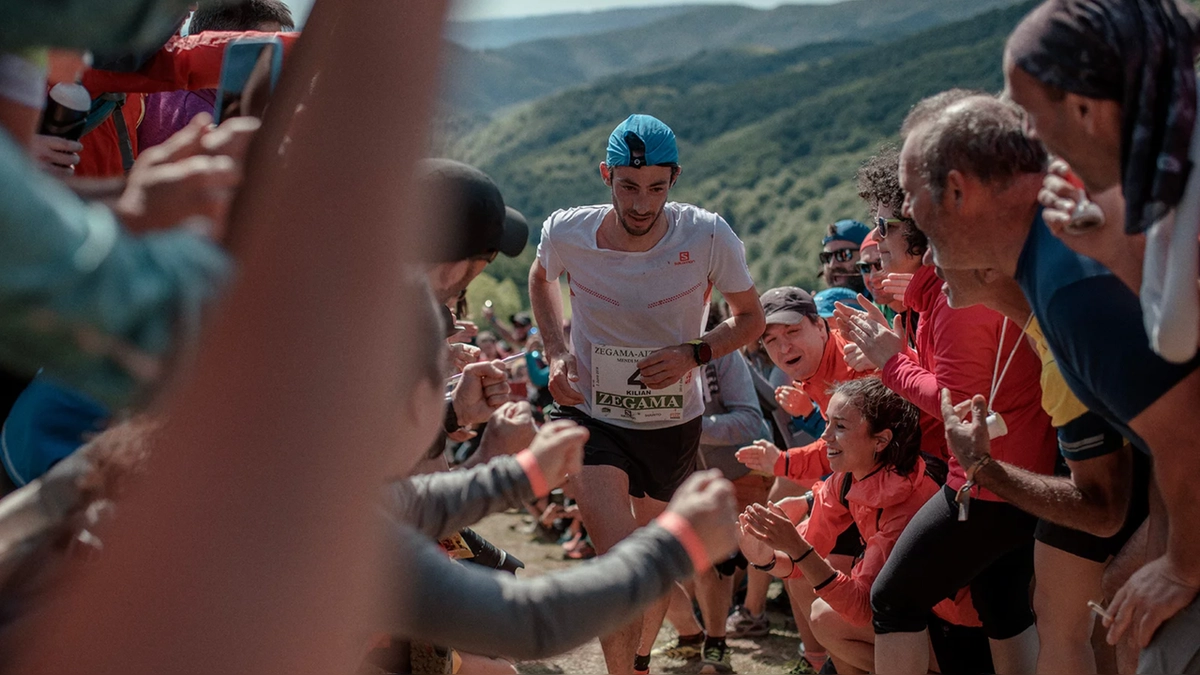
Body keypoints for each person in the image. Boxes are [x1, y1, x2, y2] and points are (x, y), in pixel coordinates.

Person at [903, 91, 1200, 673]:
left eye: (913, 199)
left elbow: (1187, 436)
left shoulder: (1070, 288)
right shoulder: (1056, 268)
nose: (911, 222)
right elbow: (1151, 462)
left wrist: (1179, 567)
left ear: (959, 191)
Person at [528, 113, 764, 675]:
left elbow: (751, 318)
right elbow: (541, 279)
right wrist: (557, 350)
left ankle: (635, 661)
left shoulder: (708, 235)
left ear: (674, 179)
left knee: (654, 566)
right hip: (590, 413)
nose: (641, 204)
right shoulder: (566, 231)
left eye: (656, 188)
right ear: (606, 175)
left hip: (671, 422)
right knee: (620, 563)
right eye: (628, 187)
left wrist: (695, 354)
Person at [838, 93, 1058, 675]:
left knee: (893, 598)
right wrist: (895, 349)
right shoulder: (947, 291)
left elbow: (959, 405)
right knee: (1003, 607)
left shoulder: (959, 298)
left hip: (988, 483)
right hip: (1011, 475)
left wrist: (891, 362)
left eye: (887, 221)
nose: (877, 237)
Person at [739, 377, 986, 675]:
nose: (825, 437)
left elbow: (861, 607)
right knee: (824, 613)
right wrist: (764, 558)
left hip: (962, 632)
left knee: (828, 617)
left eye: (839, 427)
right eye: (826, 422)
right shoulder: (849, 475)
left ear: (881, 440)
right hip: (918, 617)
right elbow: (800, 563)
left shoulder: (908, 500)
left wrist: (795, 547)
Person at [1004, 0, 1200, 366]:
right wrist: (1115, 249)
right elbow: (1179, 335)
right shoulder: (1169, 169)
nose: (1029, 134)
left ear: (1083, 108)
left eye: (1031, 113)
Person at [658, 304, 770, 673]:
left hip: (743, 474)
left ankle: (716, 640)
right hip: (684, 478)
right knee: (680, 562)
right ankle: (697, 635)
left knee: (712, 563)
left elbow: (751, 421)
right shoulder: (638, 350)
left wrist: (690, 426)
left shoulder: (721, 353)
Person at [137, 0, 295, 150]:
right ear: (223, 45)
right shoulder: (204, 119)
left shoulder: (163, 80)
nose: (274, 64)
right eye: (263, 52)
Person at [820, 219, 870, 294]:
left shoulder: (886, 301)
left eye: (843, 255)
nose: (832, 265)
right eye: (827, 257)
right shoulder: (821, 303)